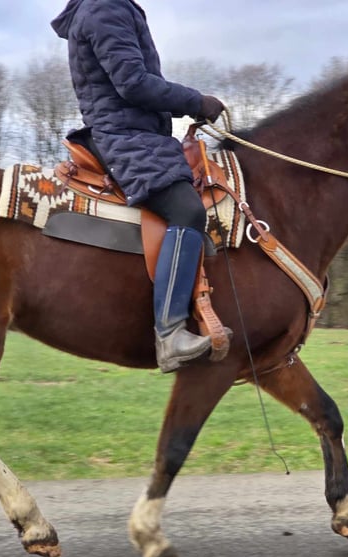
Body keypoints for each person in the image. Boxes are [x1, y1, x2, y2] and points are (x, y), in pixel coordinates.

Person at [52, 0, 227, 373]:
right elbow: (133, 83)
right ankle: (171, 335)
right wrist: (196, 101)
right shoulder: (105, 8)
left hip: (138, 134)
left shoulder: (106, 7)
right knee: (187, 210)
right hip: (127, 138)